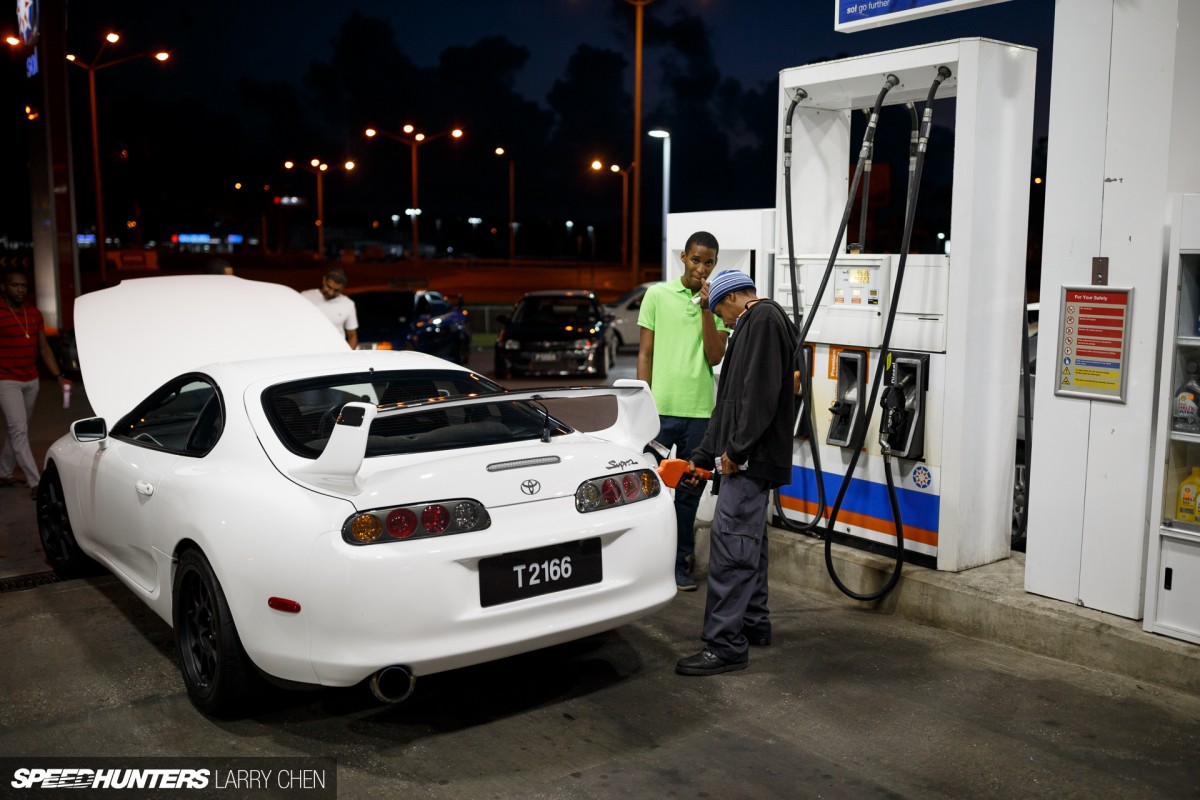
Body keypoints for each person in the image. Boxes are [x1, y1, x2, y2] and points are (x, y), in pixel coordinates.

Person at [675, 269, 798, 676]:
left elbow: (760, 396)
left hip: (749, 459)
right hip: (746, 457)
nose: (722, 321)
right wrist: (702, 455)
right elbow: (729, 403)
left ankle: (725, 645)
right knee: (750, 544)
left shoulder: (762, 319)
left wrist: (736, 451)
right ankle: (753, 623)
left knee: (731, 550)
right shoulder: (752, 325)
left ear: (731, 299)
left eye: (719, 312)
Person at [637, 231, 729, 591]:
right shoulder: (657, 295)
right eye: (696, 260)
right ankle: (646, 565)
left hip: (700, 415)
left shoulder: (718, 302)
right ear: (683, 257)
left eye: (709, 262)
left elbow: (715, 356)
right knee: (647, 489)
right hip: (660, 412)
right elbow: (645, 353)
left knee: (689, 495)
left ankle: (679, 564)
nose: (701, 268)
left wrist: (707, 307)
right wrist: (642, 405)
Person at [0, 267, 70, 499]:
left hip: (31, 379)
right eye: (14, 285)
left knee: (18, 428)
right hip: (6, 380)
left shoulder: (34, 314)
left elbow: (43, 348)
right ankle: (36, 481)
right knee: (19, 429)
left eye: (23, 286)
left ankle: (4, 472)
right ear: (4, 287)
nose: (20, 289)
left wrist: (58, 376)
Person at [302, 268, 358, 348]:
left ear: (342, 289)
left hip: (336, 353)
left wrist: (348, 356)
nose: (331, 292)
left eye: (336, 290)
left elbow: (352, 335)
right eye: (329, 287)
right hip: (309, 350)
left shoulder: (348, 304)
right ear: (324, 280)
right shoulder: (305, 297)